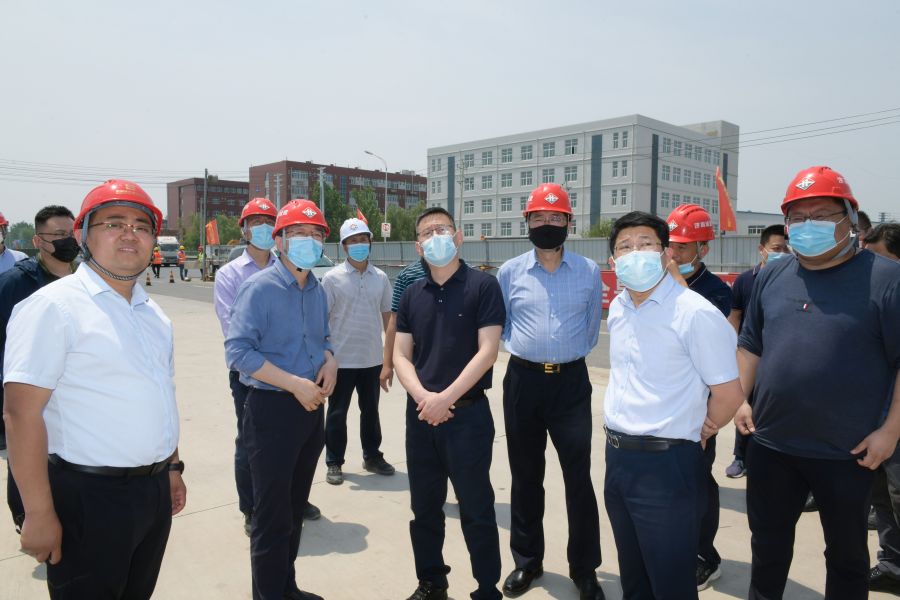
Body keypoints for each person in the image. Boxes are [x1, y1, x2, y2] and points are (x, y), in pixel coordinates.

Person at [3, 180, 186, 599]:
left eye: (142, 226)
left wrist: (172, 468)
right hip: (88, 499)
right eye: (113, 223)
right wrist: (38, 512)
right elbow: (20, 414)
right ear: (83, 234)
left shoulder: (154, 314)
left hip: (152, 493)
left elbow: (161, 395)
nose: (129, 234)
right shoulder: (54, 307)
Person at [734, 166, 900, 599]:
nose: (809, 226)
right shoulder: (773, 275)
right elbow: (750, 345)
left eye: (822, 215)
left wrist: (890, 432)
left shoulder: (887, 279)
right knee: (767, 549)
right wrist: (740, 399)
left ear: (851, 219)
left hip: (848, 452)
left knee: (846, 557)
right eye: (798, 217)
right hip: (771, 444)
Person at [603, 210, 744, 600]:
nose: (635, 253)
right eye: (625, 247)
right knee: (634, 577)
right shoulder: (619, 308)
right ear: (613, 261)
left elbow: (729, 393)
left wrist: (704, 427)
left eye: (645, 244)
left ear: (665, 254)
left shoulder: (694, 313)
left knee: (671, 582)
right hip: (618, 459)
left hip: (666, 465)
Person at [225, 199, 337, 600]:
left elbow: (323, 338)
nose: (309, 240)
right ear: (280, 241)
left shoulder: (316, 289)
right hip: (271, 411)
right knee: (271, 518)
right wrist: (293, 384)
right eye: (299, 233)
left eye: (315, 233)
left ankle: (286, 587)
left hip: (310, 410)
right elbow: (238, 352)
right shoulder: (259, 288)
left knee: (293, 509)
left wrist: (331, 361)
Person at [498, 183, 606, 600]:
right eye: (539, 217)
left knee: (578, 478)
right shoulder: (510, 272)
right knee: (526, 476)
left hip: (570, 384)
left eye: (555, 217)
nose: (548, 223)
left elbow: (592, 328)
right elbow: (503, 325)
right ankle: (527, 561)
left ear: (568, 223)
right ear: (527, 222)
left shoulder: (588, 271)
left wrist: (564, 355)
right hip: (523, 382)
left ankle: (585, 568)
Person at [394, 207, 505, 600]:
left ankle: (487, 589)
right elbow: (400, 355)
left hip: (467, 417)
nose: (435, 237)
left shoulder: (483, 286)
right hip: (421, 416)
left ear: (458, 237)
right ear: (418, 246)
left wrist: (446, 398)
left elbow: (488, 351)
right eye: (427, 233)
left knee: (477, 509)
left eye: (442, 229)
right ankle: (431, 582)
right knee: (424, 509)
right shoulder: (412, 293)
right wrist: (425, 398)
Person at [214, 197, 322, 534]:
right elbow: (236, 338)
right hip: (254, 378)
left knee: (295, 452)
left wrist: (326, 358)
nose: (261, 226)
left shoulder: (304, 275)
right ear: (244, 229)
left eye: (268, 220)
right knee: (251, 445)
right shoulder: (234, 276)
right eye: (255, 221)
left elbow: (316, 332)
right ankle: (252, 506)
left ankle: (292, 498)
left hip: (299, 383)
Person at [664, 203, 735, 591]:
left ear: (703, 249)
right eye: (670, 245)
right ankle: (677, 548)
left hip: (699, 409)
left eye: (683, 247)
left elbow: (716, 357)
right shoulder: (652, 284)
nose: (673, 254)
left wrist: (712, 419)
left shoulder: (716, 293)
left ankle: (705, 556)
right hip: (664, 406)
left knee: (697, 484)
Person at [1, 205, 78, 522]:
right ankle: (27, 519)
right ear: (38, 241)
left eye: (71, 233)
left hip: (73, 405)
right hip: (31, 398)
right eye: (58, 234)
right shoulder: (14, 284)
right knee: (29, 461)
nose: (68, 241)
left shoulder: (86, 281)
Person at [321, 218, 394, 485]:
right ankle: (334, 462)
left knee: (371, 412)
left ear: (370, 243)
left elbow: (388, 319)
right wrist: (325, 358)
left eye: (363, 240)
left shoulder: (381, 278)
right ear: (344, 246)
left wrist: (388, 360)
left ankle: (372, 456)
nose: (359, 245)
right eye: (353, 241)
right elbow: (321, 321)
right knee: (337, 413)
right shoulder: (332, 279)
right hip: (340, 361)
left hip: (371, 359)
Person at [724, 224, 788, 479]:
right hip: (750, 355)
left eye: (786, 249)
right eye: (777, 248)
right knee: (744, 403)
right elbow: (735, 316)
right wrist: (732, 349)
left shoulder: (793, 278)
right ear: (762, 249)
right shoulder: (745, 280)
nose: (782, 253)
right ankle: (740, 457)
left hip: (777, 357)